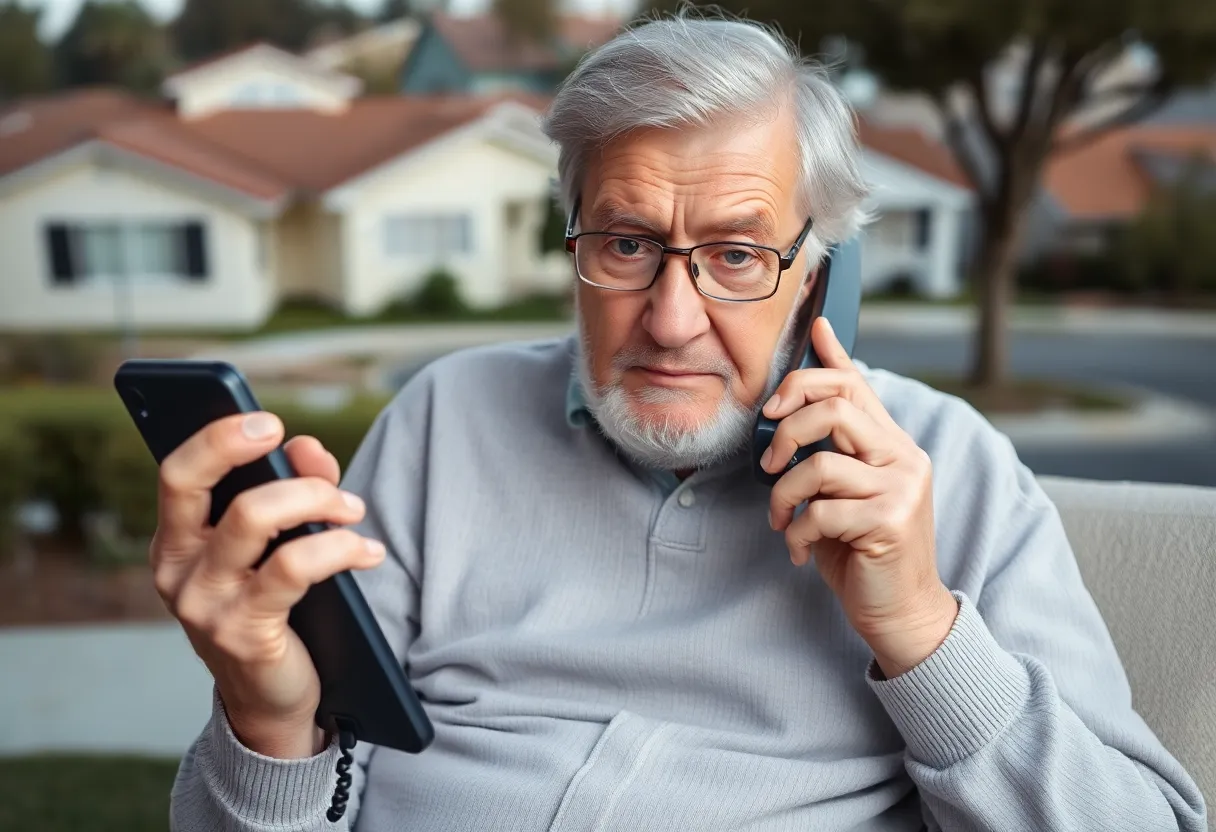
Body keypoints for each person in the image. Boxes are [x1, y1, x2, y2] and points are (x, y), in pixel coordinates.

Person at [158, 13, 1206, 832]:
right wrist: (267, 719)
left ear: (818, 278)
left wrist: (922, 630)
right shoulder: (444, 419)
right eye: (625, 243)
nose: (670, 320)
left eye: (738, 256)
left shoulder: (950, 468)